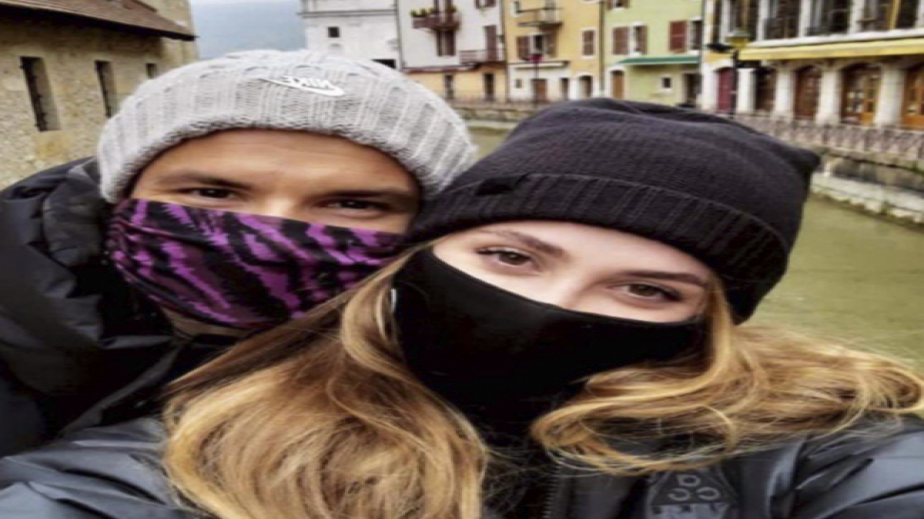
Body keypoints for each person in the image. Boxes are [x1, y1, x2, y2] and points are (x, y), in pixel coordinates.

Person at [2, 99, 923, 519]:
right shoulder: (212, 439)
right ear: (416, 262)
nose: (550, 306)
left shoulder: (810, 438)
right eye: (511, 257)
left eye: (648, 289)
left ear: (713, 320)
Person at [0, 49, 474, 457]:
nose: (270, 236)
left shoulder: (461, 370)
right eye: (212, 192)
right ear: (120, 196)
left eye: (353, 204)